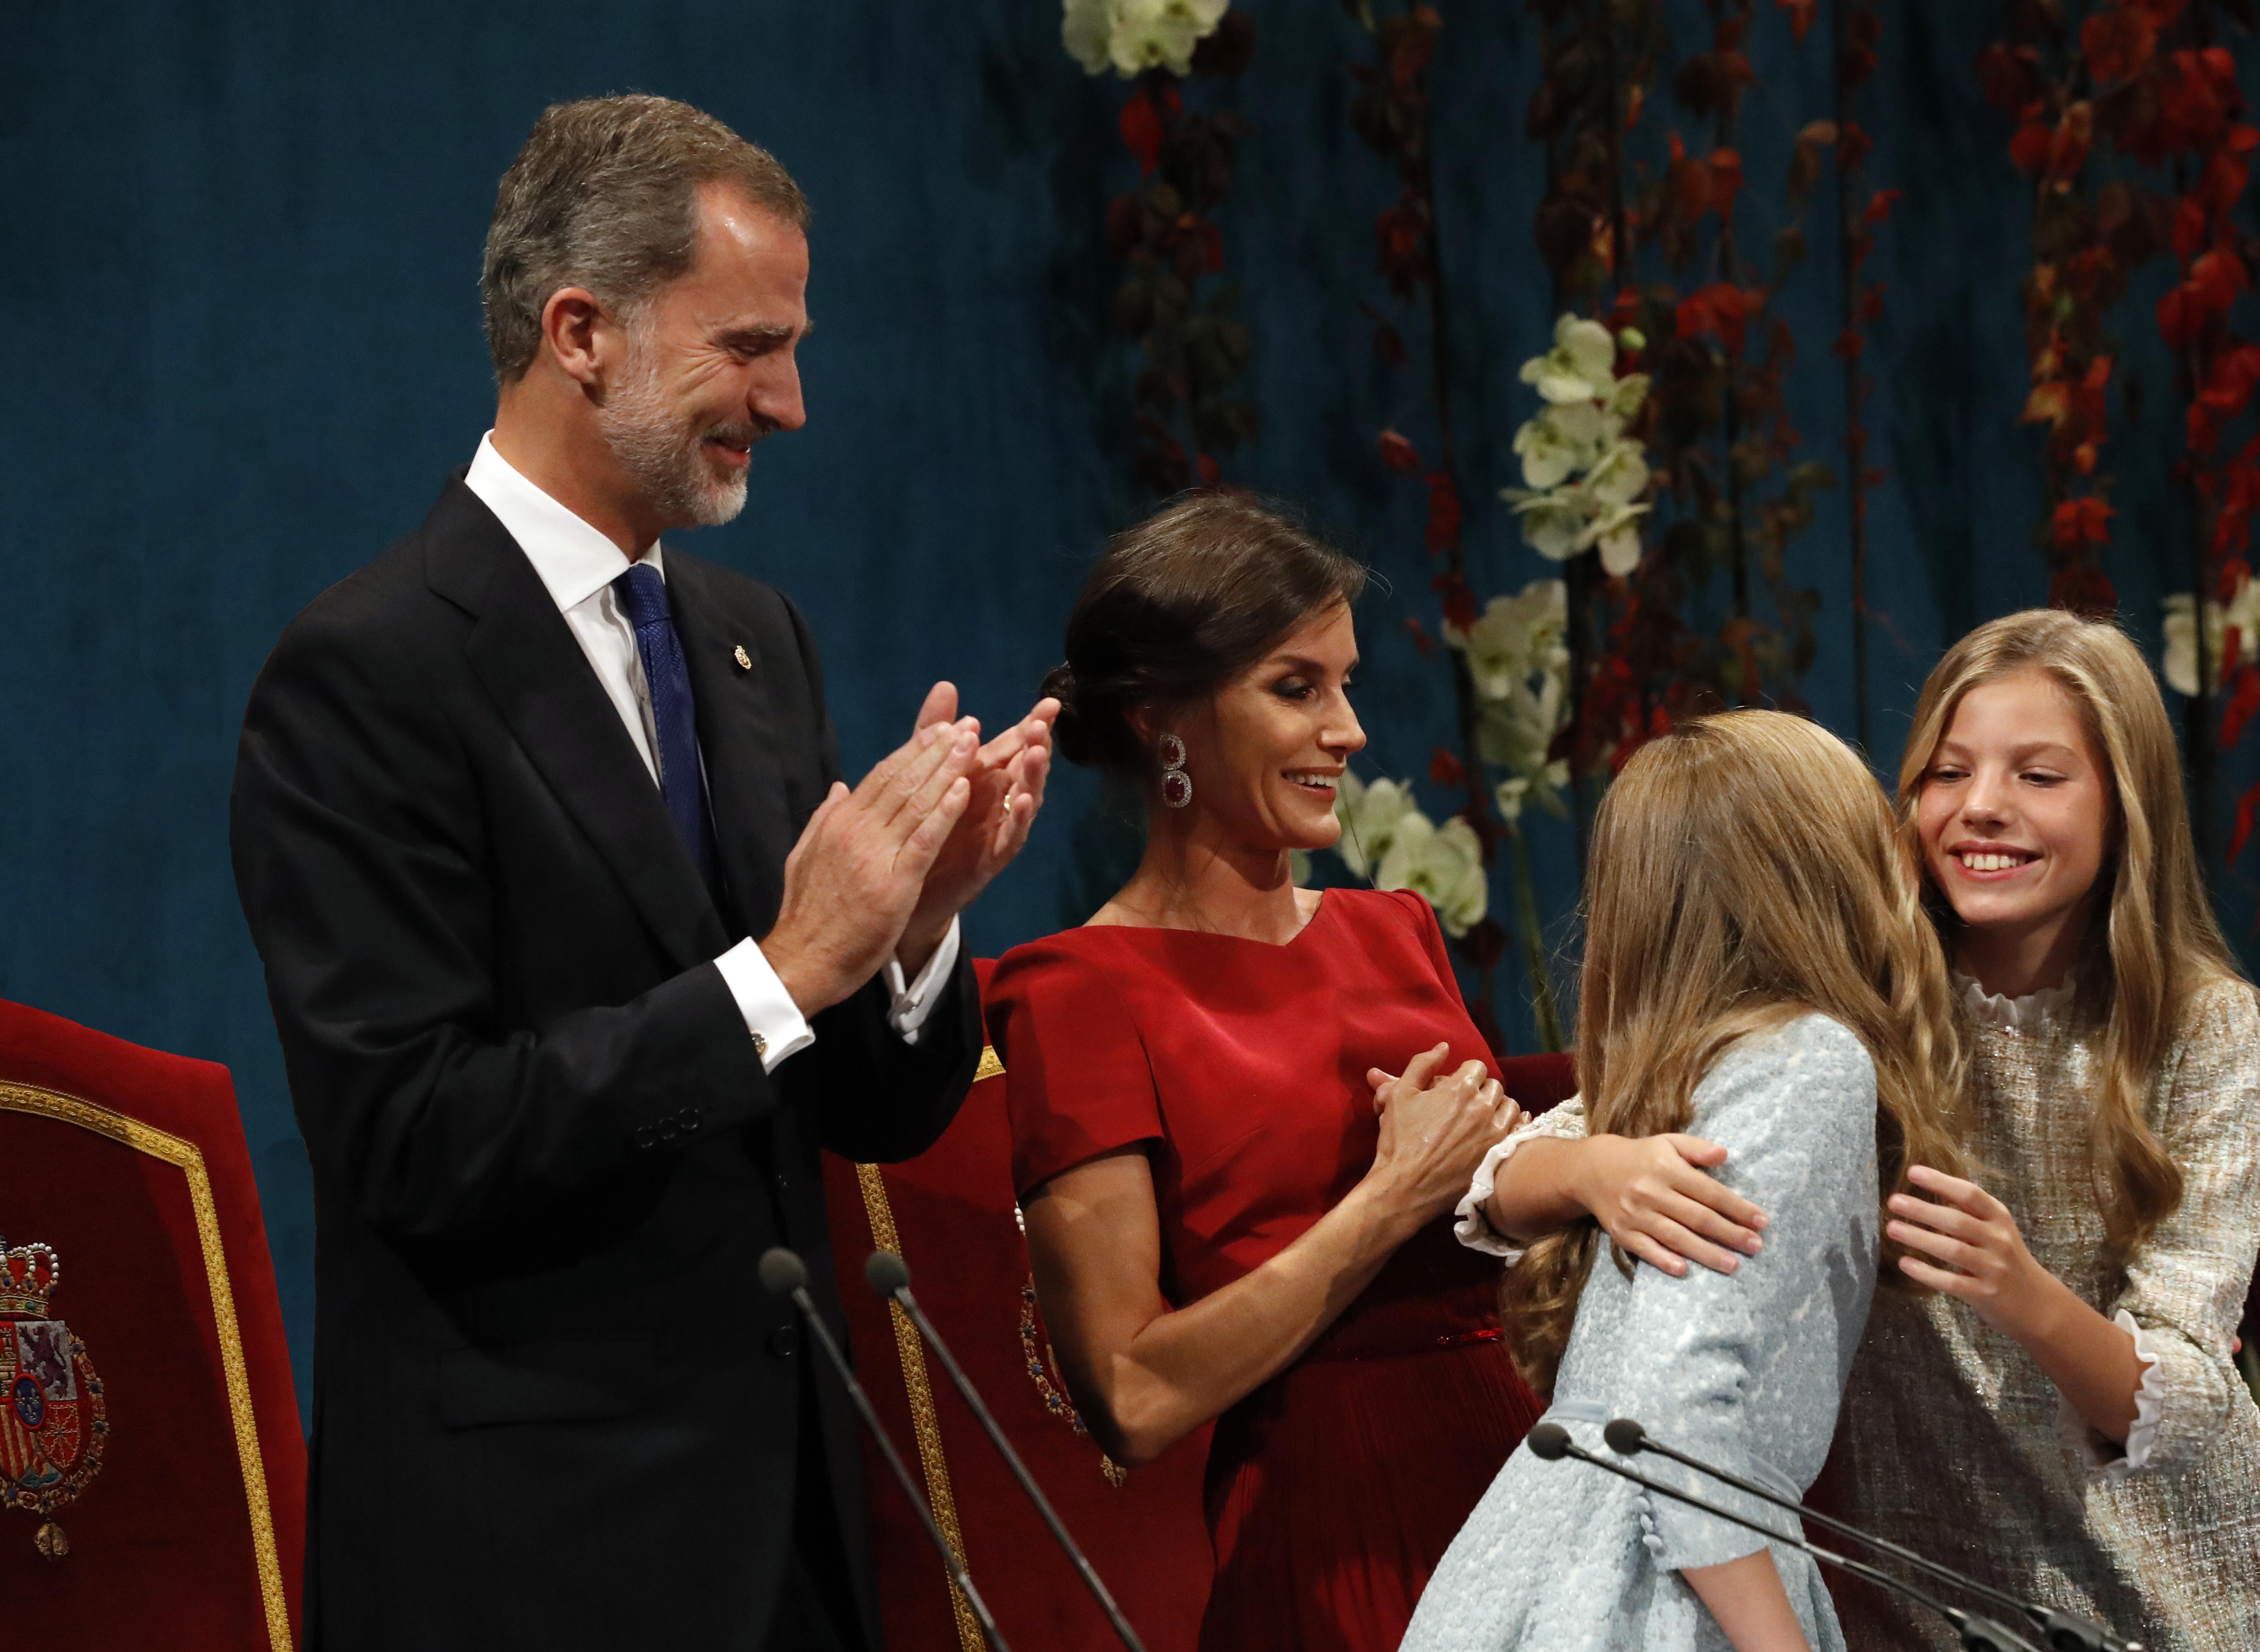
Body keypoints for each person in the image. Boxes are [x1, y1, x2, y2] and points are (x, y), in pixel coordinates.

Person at [229, 96, 1055, 1652]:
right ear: (580, 331)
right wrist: (790, 969)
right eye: (749, 345)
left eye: (793, 347)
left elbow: (864, 1113)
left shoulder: (755, 638)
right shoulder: (371, 671)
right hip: (533, 1556)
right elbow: (413, 1136)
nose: (792, 401)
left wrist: (917, 928)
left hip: (793, 1537)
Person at [1473, 611, 2260, 1652]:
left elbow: (2186, 1398)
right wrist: (1599, 1166)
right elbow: (1508, 1179)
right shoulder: (1852, 1002)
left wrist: (2019, 1290)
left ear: (2127, 807)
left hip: (2174, 1583)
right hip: (1931, 1580)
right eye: (1946, 771)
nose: (1981, 807)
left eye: (2038, 775)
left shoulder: (2194, 1024)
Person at [986, 492, 1540, 1652]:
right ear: (1159, 720)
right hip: (1333, 1529)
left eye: (1345, 683)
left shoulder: (1395, 928)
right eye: (1297, 688)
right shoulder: (1077, 991)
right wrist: (1387, 1202)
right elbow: (1130, 1397)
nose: (1349, 729)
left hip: (1526, 1477)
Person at [1403, 710, 1963, 1652]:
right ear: (1825, 874)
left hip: (1534, 1560)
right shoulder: (1808, 1061)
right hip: (1658, 1587)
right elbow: (1674, 1420)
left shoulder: (1682, 1070)